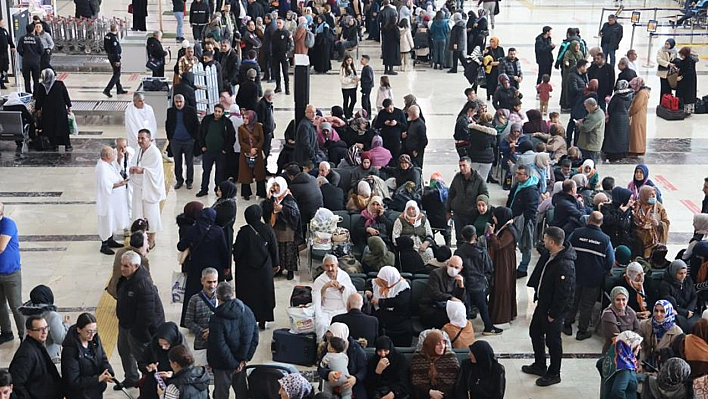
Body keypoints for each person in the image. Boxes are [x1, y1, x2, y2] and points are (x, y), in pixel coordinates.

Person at [524, 226, 576, 387]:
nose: (543, 240)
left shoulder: (565, 265)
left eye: (545, 238)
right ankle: (540, 365)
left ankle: (554, 373)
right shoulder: (551, 254)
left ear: (552, 242)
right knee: (535, 332)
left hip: (554, 310)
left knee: (553, 342)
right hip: (543, 304)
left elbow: (564, 293)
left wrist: (553, 314)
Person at [115, 251, 165, 389]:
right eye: (122, 265)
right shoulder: (127, 279)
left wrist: (137, 332)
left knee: (142, 358)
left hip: (137, 329)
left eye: (126, 266)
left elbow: (147, 314)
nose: (122, 269)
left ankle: (148, 383)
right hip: (125, 325)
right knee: (124, 351)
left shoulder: (143, 285)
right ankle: (131, 378)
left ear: (136, 266)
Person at [564, 211, 614, 340]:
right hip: (594, 278)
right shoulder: (605, 240)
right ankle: (582, 331)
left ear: (589, 220)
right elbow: (610, 261)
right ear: (601, 223)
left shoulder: (576, 233)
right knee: (587, 305)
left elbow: (566, 248)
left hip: (575, 273)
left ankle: (567, 325)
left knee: (572, 300)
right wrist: (605, 270)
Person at [177, 207, 229, 324]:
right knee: (215, 293)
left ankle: (190, 320)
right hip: (215, 268)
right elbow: (224, 251)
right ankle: (218, 318)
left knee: (193, 293)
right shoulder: (218, 231)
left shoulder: (191, 230)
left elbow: (180, 246)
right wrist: (226, 267)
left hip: (196, 267)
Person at [208, 282, 259, 399]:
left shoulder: (216, 318)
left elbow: (219, 346)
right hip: (240, 362)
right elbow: (254, 338)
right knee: (242, 392)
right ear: (233, 294)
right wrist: (244, 360)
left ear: (218, 297)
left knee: (221, 393)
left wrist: (234, 364)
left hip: (222, 364)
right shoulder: (247, 311)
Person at [233, 204, 277, 330]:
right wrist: (275, 264)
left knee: (248, 295)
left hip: (246, 271)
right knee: (264, 293)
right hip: (265, 269)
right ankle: (263, 319)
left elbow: (238, 253)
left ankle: (248, 319)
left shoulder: (244, 232)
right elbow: (274, 249)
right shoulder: (268, 229)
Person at [61, 313, 114, 399]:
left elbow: (102, 357)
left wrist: (108, 371)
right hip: (80, 395)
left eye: (94, 331)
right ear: (79, 330)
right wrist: (97, 379)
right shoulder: (70, 351)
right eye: (88, 332)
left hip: (96, 391)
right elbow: (73, 381)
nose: (92, 335)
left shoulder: (95, 340)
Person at [8, 316, 62, 399]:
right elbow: (16, 382)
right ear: (29, 332)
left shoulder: (37, 345)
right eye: (40, 329)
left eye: (46, 328)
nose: (44, 332)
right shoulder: (26, 354)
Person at [129, 129, 166, 249]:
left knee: (151, 215)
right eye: (138, 138)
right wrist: (133, 168)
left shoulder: (154, 153)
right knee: (138, 213)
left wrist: (143, 170)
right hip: (139, 188)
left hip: (150, 188)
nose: (140, 141)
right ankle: (140, 237)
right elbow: (133, 162)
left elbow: (155, 172)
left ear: (150, 139)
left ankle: (151, 239)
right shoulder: (138, 150)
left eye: (142, 138)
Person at [262, 176, 301, 280]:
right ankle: (279, 268)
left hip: (287, 230)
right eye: (273, 185)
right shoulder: (274, 197)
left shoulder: (288, 198)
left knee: (288, 250)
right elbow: (265, 210)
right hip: (275, 227)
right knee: (277, 249)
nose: (275, 188)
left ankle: (290, 270)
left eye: (277, 186)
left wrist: (282, 209)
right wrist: (268, 198)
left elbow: (295, 213)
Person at [17, 285, 69, 364]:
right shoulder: (52, 315)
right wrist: (66, 325)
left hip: (30, 353)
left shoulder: (27, 312)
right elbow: (61, 339)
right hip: (48, 357)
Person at [137, 321, 188, 399]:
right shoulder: (153, 345)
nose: (163, 348)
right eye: (160, 344)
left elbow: (187, 373)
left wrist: (172, 375)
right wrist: (147, 367)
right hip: (153, 384)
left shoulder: (182, 351)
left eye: (166, 344)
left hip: (172, 388)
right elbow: (142, 361)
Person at [94, 146, 129, 254]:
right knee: (107, 221)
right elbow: (106, 185)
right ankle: (104, 244)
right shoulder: (102, 168)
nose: (114, 155)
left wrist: (119, 159)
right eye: (112, 154)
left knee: (112, 220)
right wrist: (121, 184)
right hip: (107, 200)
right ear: (108, 156)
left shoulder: (108, 164)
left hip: (113, 200)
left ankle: (110, 239)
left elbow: (117, 170)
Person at [317, 323, 368, 398]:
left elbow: (363, 369)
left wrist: (355, 379)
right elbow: (321, 368)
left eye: (332, 337)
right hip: (331, 383)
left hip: (351, 385)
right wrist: (328, 374)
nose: (329, 341)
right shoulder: (329, 347)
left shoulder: (356, 349)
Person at [487, 206, 519, 325]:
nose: (493, 218)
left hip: (504, 262)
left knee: (502, 285)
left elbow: (498, 245)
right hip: (502, 260)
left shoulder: (508, 231)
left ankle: (502, 316)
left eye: (495, 216)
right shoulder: (504, 228)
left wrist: (491, 234)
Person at [447, 157, 490, 245]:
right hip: (458, 213)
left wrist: (480, 207)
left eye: (464, 165)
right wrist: (448, 210)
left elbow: (485, 195)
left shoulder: (479, 179)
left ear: (470, 165)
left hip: (472, 214)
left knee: (470, 238)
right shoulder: (457, 177)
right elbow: (451, 194)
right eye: (460, 166)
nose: (462, 168)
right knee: (459, 237)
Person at [506, 165, 540, 278]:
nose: (516, 176)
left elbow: (531, 210)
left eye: (519, 174)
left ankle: (523, 268)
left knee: (526, 246)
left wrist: (523, 223)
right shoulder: (518, 185)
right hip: (513, 219)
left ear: (527, 176)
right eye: (516, 173)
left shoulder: (531, 190)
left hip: (525, 222)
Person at [313, 255, 357, 340]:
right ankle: (322, 345)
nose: (330, 269)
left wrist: (341, 288)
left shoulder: (344, 276)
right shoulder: (319, 280)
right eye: (327, 266)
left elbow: (352, 293)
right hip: (326, 310)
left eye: (332, 265)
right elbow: (317, 299)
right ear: (323, 267)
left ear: (337, 265)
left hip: (342, 308)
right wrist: (325, 287)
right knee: (321, 324)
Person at [196, 105, 235, 197]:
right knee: (206, 171)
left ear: (222, 112)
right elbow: (200, 133)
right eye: (216, 111)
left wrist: (226, 149)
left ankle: (218, 189)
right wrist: (202, 146)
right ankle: (204, 189)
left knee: (220, 172)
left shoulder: (227, 122)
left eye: (219, 112)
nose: (217, 113)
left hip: (220, 153)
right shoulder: (207, 120)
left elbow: (231, 137)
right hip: (208, 151)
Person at [410, 330, 460, 399]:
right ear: (430, 344)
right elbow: (415, 382)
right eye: (438, 344)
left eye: (443, 343)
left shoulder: (450, 357)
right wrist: (429, 392)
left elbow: (454, 382)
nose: (442, 346)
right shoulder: (418, 357)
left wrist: (440, 395)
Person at [369, 266, 412, 346]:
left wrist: (380, 301)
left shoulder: (403, 286)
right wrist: (369, 292)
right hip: (381, 313)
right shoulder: (378, 282)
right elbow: (371, 285)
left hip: (397, 315)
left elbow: (398, 302)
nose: (381, 283)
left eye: (384, 281)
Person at [166, 94, 200, 190]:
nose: (179, 104)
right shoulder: (170, 111)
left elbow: (196, 125)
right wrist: (170, 138)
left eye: (180, 102)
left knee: (189, 162)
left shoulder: (190, 110)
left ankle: (189, 181)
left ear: (184, 102)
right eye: (177, 102)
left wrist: (194, 138)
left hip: (188, 141)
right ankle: (179, 180)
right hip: (175, 141)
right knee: (177, 162)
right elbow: (168, 125)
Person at [35, 69, 72, 152]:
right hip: (60, 110)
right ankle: (67, 144)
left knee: (50, 128)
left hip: (48, 112)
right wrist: (69, 106)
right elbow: (65, 96)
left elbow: (39, 99)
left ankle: (53, 144)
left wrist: (38, 108)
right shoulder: (59, 84)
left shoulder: (41, 86)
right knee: (62, 127)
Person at [638, 300, 683, 369]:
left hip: (665, 366)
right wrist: (640, 363)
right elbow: (641, 346)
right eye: (656, 310)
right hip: (645, 362)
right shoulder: (644, 324)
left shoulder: (677, 332)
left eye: (662, 311)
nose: (658, 314)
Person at [0, 204, 22, 347]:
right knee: (0, 304)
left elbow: (1, 247)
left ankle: (24, 335)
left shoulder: (8, 224)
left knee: (16, 306)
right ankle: (6, 332)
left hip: (11, 273)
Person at [598, 331, 642, 399]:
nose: (640, 348)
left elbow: (619, 378)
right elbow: (618, 391)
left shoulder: (609, 359)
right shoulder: (625, 367)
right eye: (638, 345)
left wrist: (644, 377)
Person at [660, 260, 700, 332]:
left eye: (685, 273)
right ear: (674, 272)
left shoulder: (687, 280)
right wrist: (685, 312)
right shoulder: (665, 285)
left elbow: (694, 296)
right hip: (677, 313)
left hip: (691, 311)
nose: (683, 276)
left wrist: (689, 310)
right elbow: (669, 303)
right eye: (680, 273)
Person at [184, 268, 218, 352]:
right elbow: (188, 321)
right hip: (201, 344)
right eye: (209, 282)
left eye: (215, 282)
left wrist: (213, 331)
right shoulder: (194, 299)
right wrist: (203, 332)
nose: (212, 285)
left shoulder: (222, 298)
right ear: (202, 281)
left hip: (219, 342)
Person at [600, 287, 641, 353]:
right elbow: (617, 337)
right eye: (618, 300)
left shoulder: (630, 311)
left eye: (623, 299)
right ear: (613, 300)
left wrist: (635, 340)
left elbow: (638, 329)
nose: (621, 303)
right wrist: (634, 338)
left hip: (631, 350)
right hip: (614, 352)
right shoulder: (608, 314)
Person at [633, 185, 670, 258]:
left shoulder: (659, 207)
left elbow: (666, 222)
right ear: (644, 196)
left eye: (654, 194)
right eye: (651, 194)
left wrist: (658, 224)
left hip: (654, 242)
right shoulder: (636, 206)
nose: (654, 196)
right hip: (638, 242)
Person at [603, 80, 633, 162]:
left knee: (614, 136)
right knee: (623, 137)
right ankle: (622, 152)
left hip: (615, 118)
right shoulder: (630, 95)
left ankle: (613, 152)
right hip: (625, 117)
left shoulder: (617, 96)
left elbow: (610, 108)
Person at [576, 98, 604, 165]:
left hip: (590, 144)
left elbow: (586, 128)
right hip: (592, 143)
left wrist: (578, 125)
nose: (586, 109)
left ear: (590, 106)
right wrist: (584, 120)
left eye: (586, 107)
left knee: (589, 164)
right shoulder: (598, 112)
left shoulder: (594, 116)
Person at [16, 24, 42, 94]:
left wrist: (24, 55)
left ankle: (28, 93)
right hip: (35, 61)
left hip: (26, 61)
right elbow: (41, 50)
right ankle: (36, 94)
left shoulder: (22, 38)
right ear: (33, 30)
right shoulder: (37, 38)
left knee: (27, 79)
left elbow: (18, 49)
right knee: (36, 79)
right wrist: (37, 55)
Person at [102, 24, 127, 97]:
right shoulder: (113, 38)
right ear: (116, 29)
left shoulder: (107, 36)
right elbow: (115, 49)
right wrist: (117, 60)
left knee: (116, 72)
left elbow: (105, 47)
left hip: (110, 56)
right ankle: (107, 89)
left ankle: (119, 89)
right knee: (117, 74)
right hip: (115, 57)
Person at [628, 77, 650, 157]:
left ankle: (637, 149)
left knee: (636, 133)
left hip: (638, 116)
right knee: (638, 132)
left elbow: (636, 106)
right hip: (639, 116)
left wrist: (630, 112)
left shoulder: (641, 93)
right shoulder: (642, 92)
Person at [676, 46, 698, 115]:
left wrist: (681, 77)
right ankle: (686, 110)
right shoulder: (688, 60)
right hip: (689, 81)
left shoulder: (689, 61)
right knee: (688, 96)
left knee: (687, 96)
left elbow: (689, 71)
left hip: (687, 82)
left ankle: (686, 110)